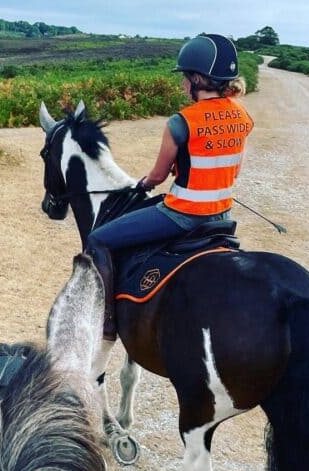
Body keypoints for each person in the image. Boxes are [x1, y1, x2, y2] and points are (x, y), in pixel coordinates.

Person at [85, 33, 254, 341]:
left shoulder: (181, 122)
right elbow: (234, 168)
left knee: (98, 240)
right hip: (222, 215)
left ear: (198, 79)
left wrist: (143, 182)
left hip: (183, 214)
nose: (182, 84)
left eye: (185, 77)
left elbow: (158, 176)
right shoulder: (243, 115)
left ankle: (106, 323)